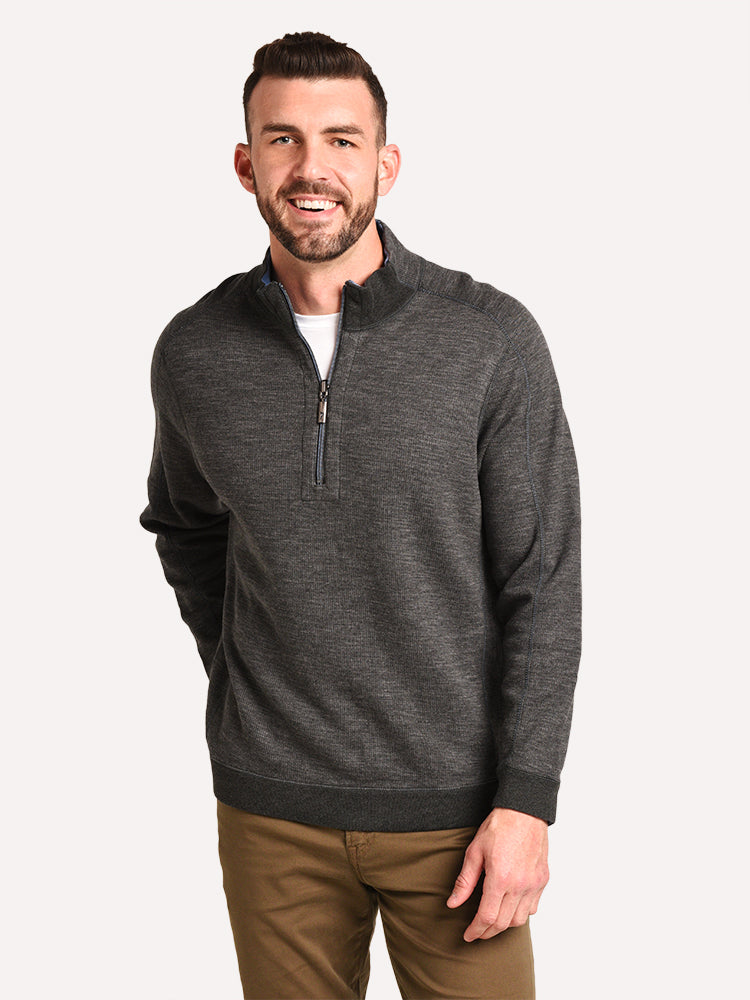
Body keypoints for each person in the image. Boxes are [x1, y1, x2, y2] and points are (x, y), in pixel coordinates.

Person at [140, 30, 581, 1000]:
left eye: (342, 140)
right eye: (284, 139)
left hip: (458, 817)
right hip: (271, 813)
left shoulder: (488, 341)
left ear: (386, 164)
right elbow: (185, 527)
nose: (313, 168)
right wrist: (247, 671)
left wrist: (527, 800)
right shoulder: (195, 352)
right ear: (246, 164)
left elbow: (542, 583)